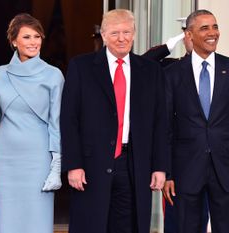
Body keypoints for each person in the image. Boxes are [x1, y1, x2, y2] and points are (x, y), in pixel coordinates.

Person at [61, 9, 168, 233]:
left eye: (127, 32)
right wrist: (74, 164)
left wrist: (159, 166)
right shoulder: (81, 67)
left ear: (134, 34)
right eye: (115, 33)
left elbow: (160, 122)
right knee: (92, 225)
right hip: (91, 165)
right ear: (104, 35)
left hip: (134, 163)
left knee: (129, 226)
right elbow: (69, 119)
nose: (122, 38)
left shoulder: (151, 71)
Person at [163, 9, 229, 233]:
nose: (212, 33)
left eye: (215, 27)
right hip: (185, 169)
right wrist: (166, 172)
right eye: (204, 28)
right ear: (189, 35)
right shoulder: (172, 73)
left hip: (226, 167)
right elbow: (165, 127)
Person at [0, 13, 64, 233]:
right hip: (4, 157)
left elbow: (56, 121)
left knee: (37, 218)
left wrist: (57, 164)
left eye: (37, 36)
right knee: (6, 218)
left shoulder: (53, 75)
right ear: (14, 41)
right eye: (27, 37)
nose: (34, 42)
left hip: (38, 156)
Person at [143, 18, 210, 233]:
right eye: (189, 35)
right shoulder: (170, 67)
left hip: (207, 160)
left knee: (201, 219)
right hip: (179, 161)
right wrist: (168, 45)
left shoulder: (219, 68)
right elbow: (143, 64)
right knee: (175, 221)